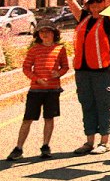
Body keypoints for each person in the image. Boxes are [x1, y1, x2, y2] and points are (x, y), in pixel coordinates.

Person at [63, 0, 110, 155]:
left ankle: (104, 141)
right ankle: (89, 141)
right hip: (83, 70)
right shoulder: (84, 18)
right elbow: (71, 0)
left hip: (103, 70)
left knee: (103, 104)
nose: (96, 5)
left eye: (99, 1)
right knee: (87, 104)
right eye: (92, 2)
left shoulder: (109, 19)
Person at [6, 24, 70, 161]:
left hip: (52, 89)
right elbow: (26, 68)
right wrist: (36, 79)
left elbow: (65, 66)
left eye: (48, 31)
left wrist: (58, 73)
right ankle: (18, 148)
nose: (45, 34)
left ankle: (45, 146)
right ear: (38, 34)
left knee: (49, 118)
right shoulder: (34, 50)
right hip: (36, 90)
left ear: (54, 33)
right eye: (41, 32)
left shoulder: (60, 49)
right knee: (27, 119)